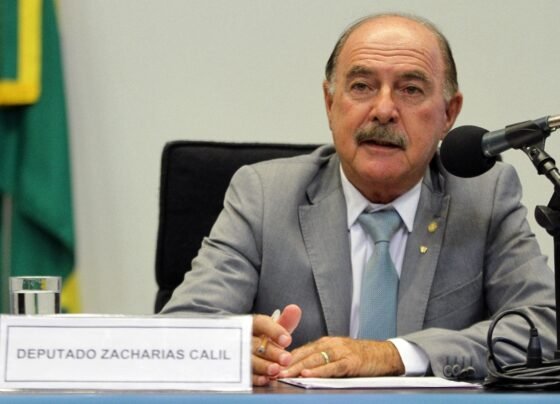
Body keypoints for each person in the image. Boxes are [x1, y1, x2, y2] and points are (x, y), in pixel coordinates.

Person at [161, 13, 556, 386]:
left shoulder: (484, 197)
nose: (383, 110)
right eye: (362, 86)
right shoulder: (264, 195)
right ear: (330, 103)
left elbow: (546, 326)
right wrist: (231, 345)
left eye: (411, 89)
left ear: (449, 114)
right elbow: (179, 330)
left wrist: (395, 355)